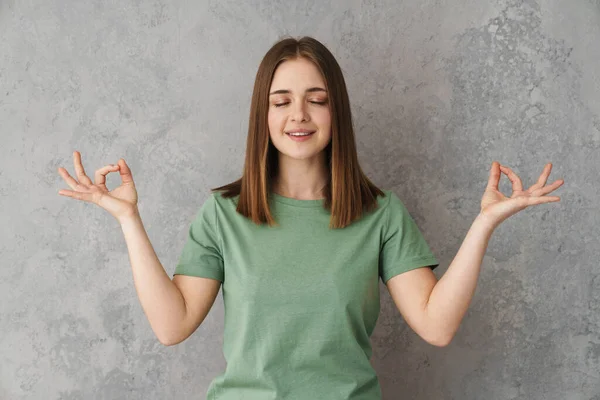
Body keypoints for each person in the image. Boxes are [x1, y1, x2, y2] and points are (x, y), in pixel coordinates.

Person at [57, 36, 564, 400]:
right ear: (265, 115)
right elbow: (172, 326)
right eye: (282, 101)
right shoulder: (222, 215)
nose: (298, 115)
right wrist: (128, 219)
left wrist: (483, 225)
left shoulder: (380, 214)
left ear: (335, 112)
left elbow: (436, 325)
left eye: (316, 101)